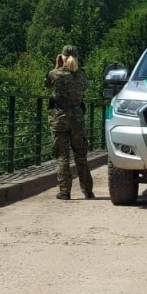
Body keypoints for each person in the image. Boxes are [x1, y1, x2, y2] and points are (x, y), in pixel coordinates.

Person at [45, 44, 92, 200]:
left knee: (62, 156)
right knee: (81, 155)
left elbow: (46, 84)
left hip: (59, 119)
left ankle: (65, 192)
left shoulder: (55, 74)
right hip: (77, 120)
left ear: (62, 57)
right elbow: (86, 87)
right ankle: (88, 191)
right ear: (77, 57)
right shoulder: (82, 76)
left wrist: (57, 66)